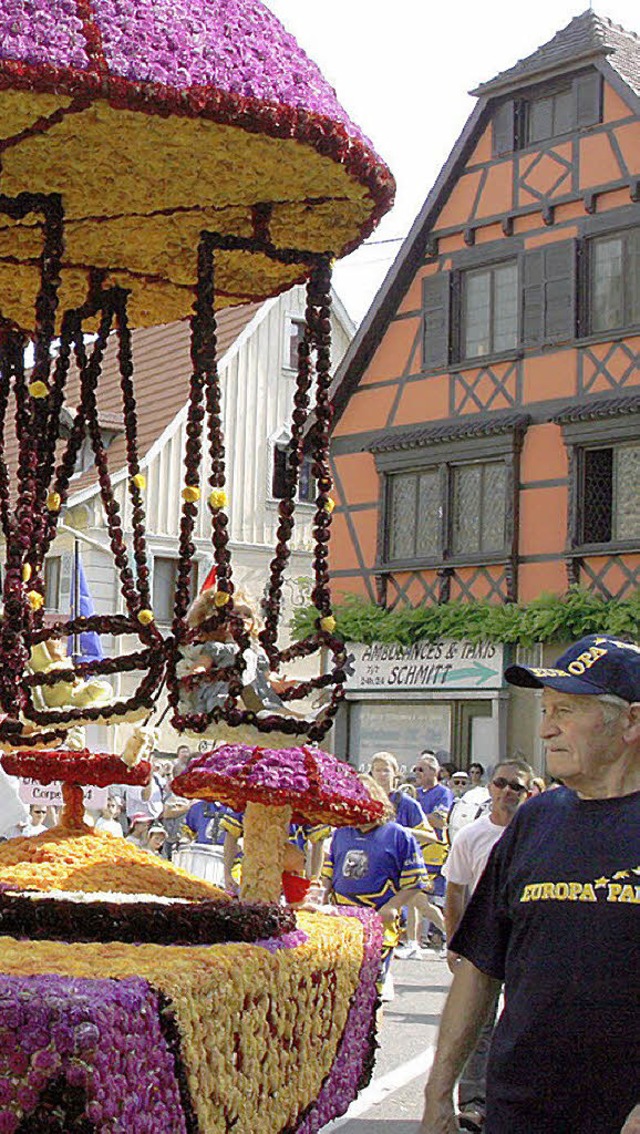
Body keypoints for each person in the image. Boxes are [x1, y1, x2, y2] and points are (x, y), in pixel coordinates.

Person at [420, 634, 640, 1134]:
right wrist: (437, 1094)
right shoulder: (535, 820)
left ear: (632, 720)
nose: (545, 730)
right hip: (518, 1113)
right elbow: (479, 967)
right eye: (545, 709)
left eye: (566, 710)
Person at [442, 759, 533, 1132]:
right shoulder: (471, 835)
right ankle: (474, 1102)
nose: (508, 791)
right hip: (484, 941)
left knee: (526, 1020)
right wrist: (455, 942)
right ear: (491, 787)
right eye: (502, 783)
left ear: (529, 793)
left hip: (528, 940)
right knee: (478, 1025)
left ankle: (519, 1099)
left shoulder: (539, 834)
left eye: (518, 786)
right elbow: (454, 890)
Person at [322, 775, 434, 1001]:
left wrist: (393, 906)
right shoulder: (342, 832)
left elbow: (416, 882)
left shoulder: (399, 836)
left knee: (371, 991)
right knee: (339, 990)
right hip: (342, 919)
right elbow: (329, 872)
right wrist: (322, 894)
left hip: (378, 919)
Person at [369, 751, 445, 958]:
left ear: (395, 773)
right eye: (378, 770)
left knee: (422, 905)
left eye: (386, 770)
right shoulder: (367, 799)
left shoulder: (407, 803)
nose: (382, 775)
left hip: (402, 866)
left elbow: (430, 835)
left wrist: (402, 832)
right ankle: (399, 946)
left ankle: (456, 940)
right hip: (375, 866)